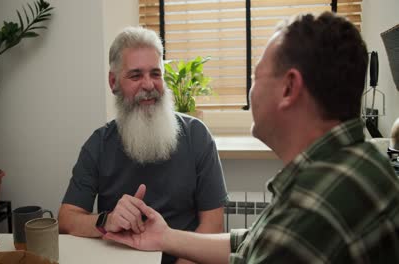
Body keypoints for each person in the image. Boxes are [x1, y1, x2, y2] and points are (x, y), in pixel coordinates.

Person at [103, 12, 399, 263]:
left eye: (256, 77)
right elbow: (254, 239)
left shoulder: (308, 214)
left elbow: (276, 241)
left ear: (288, 88)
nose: (250, 90)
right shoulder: (365, 161)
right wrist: (166, 237)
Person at [58, 27, 228, 264]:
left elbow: (212, 225)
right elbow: (67, 219)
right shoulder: (98, 143)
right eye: (136, 75)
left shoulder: (196, 136)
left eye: (155, 74)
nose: (149, 85)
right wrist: (106, 220)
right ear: (113, 81)